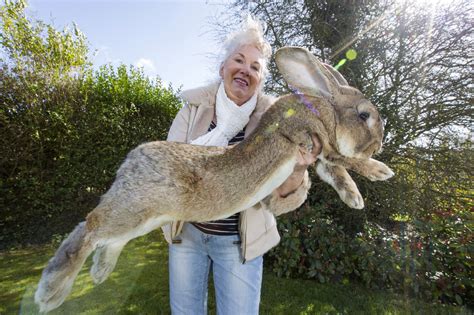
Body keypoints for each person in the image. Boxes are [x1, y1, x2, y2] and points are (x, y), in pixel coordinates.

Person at [162, 16, 321, 315]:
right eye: (239, 60)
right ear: (223, 68)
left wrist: (298, 169)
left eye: (255, 67)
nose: (245, 70)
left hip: (239, 242)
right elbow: (170, 169)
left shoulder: (275, 123)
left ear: (261, 81)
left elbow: (278, 199)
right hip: (188, 235)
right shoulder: (193, 110)